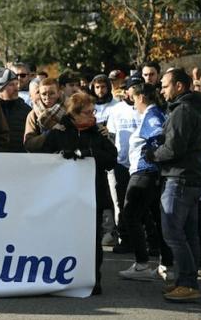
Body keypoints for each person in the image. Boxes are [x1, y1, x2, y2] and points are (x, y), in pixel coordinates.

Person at [39, 92, 118, 295]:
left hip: (93, 195)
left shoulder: (99, 132)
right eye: (88, 112)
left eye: (94, 111)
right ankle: (62, 276)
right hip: (64, 197)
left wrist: (89, 154)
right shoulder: (59, 132)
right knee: (65, 237)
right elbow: (42, 158)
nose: (93, 116)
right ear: (74, 114)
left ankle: (93, 278)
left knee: (92, 240)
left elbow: (111, 159)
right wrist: (59, 156)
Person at [146, 68, 201, 302]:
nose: (161, 89)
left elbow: (174, 149)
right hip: (190, 178)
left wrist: (153, 154)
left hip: (179, 178)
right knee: (188, 234)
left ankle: (189, 284)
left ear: (179, 86)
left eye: (165, 85)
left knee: (172, 233)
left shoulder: (182, 110)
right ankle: (185, 281)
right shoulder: (191, 109)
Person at [119, 83, 173, 281]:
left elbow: (158, 135)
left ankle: (142, 264)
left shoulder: (151, 115)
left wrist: (152, 155)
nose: (132, 102)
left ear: (141, 97)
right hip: (150, 174)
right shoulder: (153, 114)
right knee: (157, 219)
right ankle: (166, 263)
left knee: (130, 215)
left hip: (144, 173)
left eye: (133, 98)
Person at [106, 74, 142, 252]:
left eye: (138, 86)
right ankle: (125, 239)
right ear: (126, 90)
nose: (134, 90)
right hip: (121, 162)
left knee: (140, 204)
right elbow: (111, 135)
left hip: (140, 165)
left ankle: (145, 241)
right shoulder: (116, 109)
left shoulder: (145, 108)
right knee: (121, 203)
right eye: (131, 87)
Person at [0, 68, 31, 153]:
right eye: (11, 85)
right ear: (0, 88)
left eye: (17, 84)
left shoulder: (26, 110)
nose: (16, 88)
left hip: (20, 160)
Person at [24, 78, 65, 152]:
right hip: (42, 158)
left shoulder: (69, 110)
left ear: (58, 93)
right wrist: (48, 135)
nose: (47, 97)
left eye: (52, 93)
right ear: (39, 95)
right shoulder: (33, 114)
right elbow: (28, 144)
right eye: (44, 94)